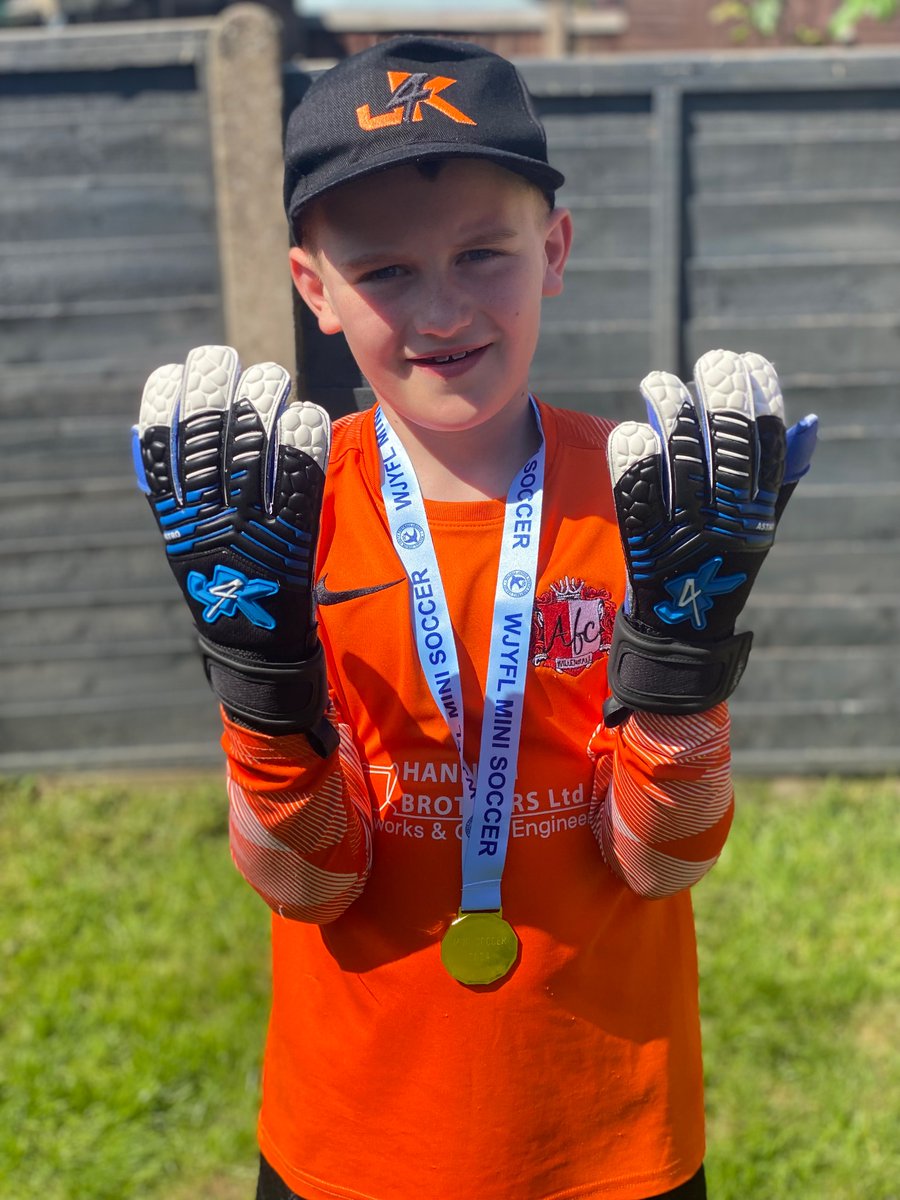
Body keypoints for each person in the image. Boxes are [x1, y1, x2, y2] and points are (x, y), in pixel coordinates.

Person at [133, 35, 817, 1200]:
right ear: (316, 287)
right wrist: (260, 686)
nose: (441, 308)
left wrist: (684, 674)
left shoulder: (649, 499)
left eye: (482, 253)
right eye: (385, 271)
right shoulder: (275, 515)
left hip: (607, 1138)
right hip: (354, 1141)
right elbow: (309, 883)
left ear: (552, 249)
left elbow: (661, 861)